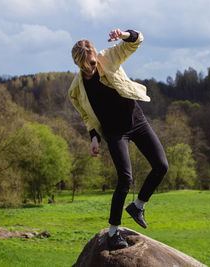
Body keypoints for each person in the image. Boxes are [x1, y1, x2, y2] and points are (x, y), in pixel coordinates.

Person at [68, 29, 169, 250]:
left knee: (161, 166)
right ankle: (113, 232)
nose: (91, 68)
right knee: (125, 180)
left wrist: (124, 34)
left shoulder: (107, 58)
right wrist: (93, 137)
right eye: (86, 66)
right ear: (78, 64)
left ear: (96, 56)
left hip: (136, 120)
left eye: (93, 63)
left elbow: (136, 42)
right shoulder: (76, 89)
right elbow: (86, 116)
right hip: (115, 132)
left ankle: (138, 206)